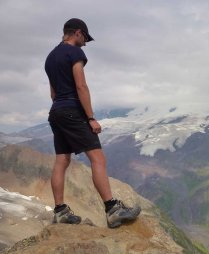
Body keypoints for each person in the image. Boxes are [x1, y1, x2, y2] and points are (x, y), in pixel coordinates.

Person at [45, 18, 140, 228]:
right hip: (72, 111)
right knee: (98, 158)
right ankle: (112, 210)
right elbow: (81, 86)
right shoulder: (75, 53)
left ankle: (60, 211)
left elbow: (53, 92)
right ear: (77, 32)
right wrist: (90, 117)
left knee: (62, 160)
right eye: (85, 38)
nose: (85, 43)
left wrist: (62, 110)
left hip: (56, 112)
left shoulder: (50, 57)